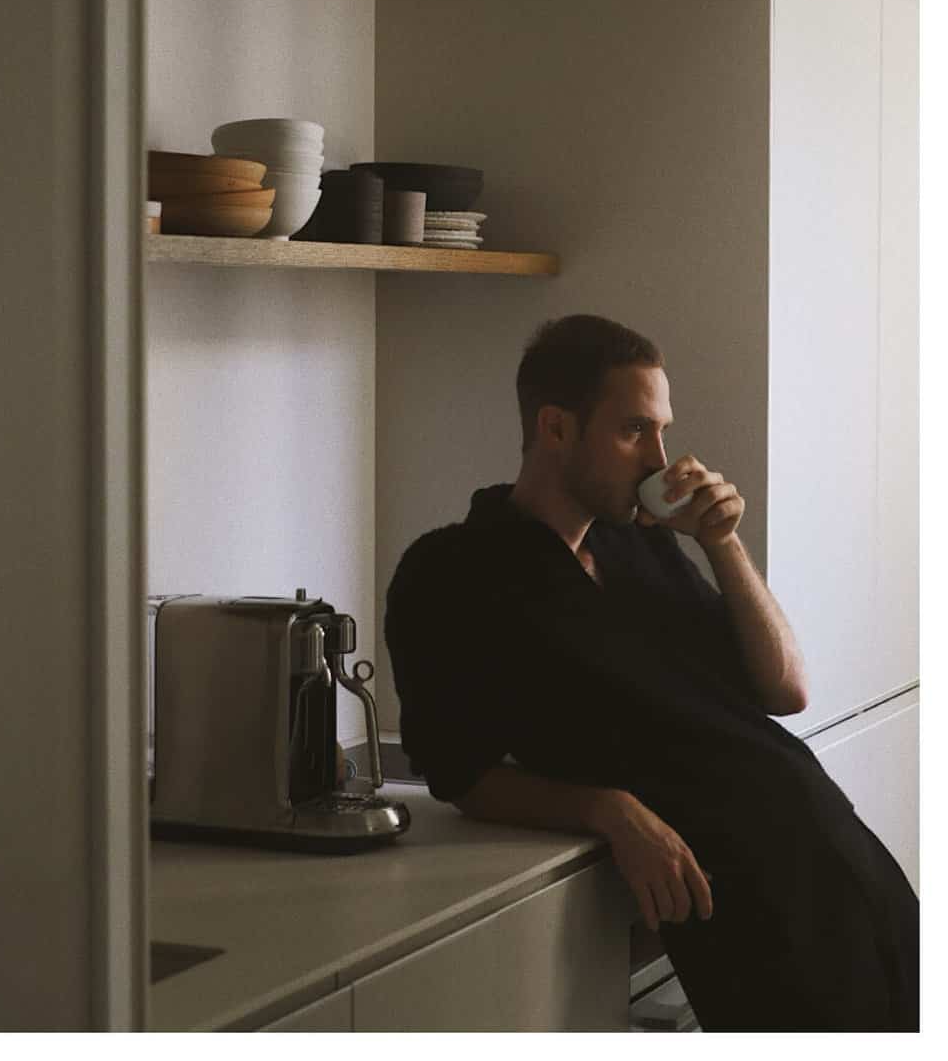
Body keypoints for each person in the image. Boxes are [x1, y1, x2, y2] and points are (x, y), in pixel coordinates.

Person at [384, 313, 918, 1031]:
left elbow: (784, 689)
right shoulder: (451, 573)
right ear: (556, 428)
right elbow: (459, 773)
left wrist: (722, 544)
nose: (661, 459)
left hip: (838, 853)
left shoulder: (641, 546)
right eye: (636, 431)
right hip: (747, 908)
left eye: (662, 431)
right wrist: (608, 808)